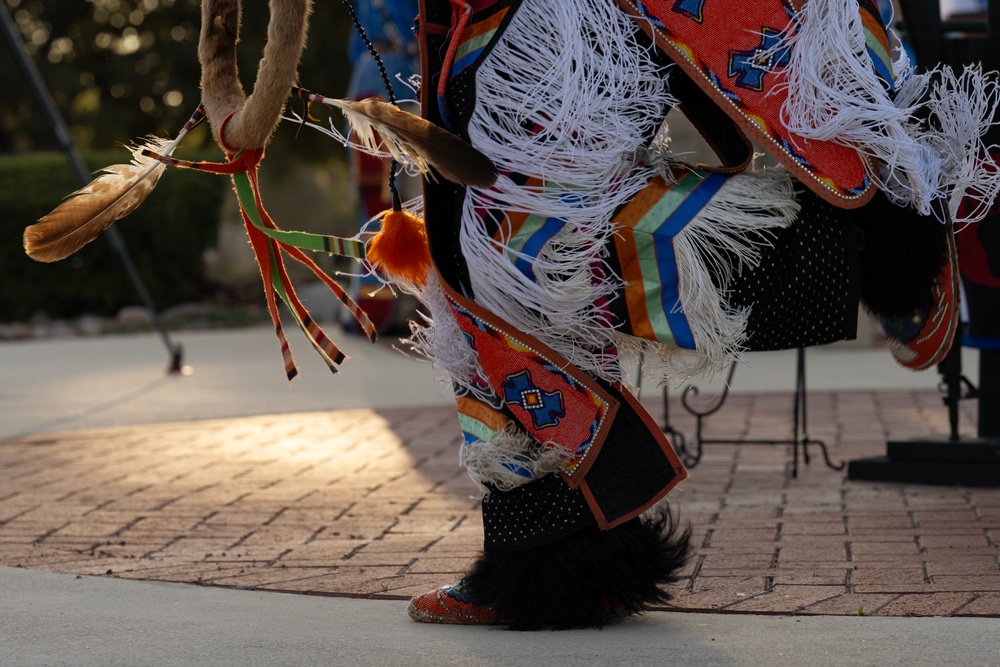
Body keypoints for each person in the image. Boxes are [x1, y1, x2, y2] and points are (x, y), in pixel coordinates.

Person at [344, 0, 419, 335]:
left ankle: (373, 308)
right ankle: (406, 306)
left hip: (368, 82)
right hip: (411, 79)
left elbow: (354, 48)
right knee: (411, 199)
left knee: (374, 200)